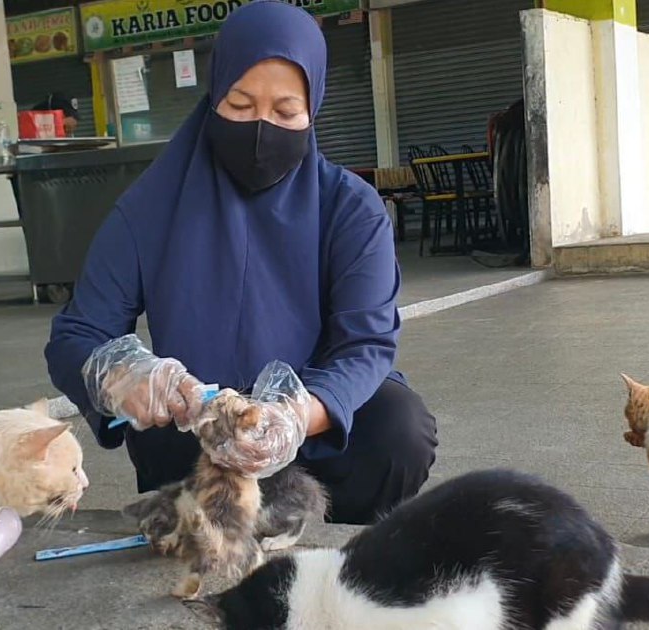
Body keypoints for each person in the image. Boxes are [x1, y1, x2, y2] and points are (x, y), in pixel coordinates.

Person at [44, 0, 438, 525]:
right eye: (240, 103)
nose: (260, 128)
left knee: (398, 427)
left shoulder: (350, 207)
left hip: (312, 423)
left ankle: (352, 560)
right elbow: (76, 336)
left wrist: (296, 417)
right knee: (159, 439)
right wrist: (127, 378)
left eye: (284, 111)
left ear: (312, 110)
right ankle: (204, 536)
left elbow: (365, 344)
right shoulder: (150, 207)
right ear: (213, 97)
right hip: (200, 422)